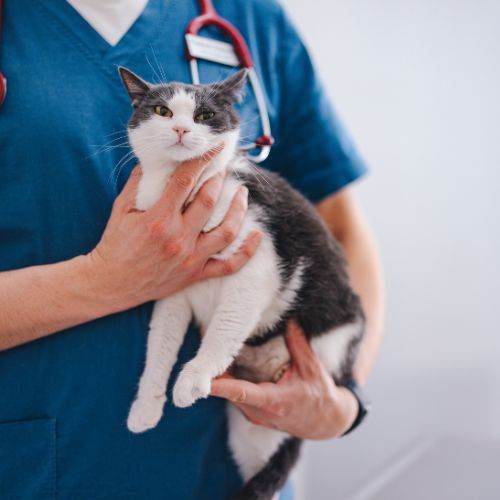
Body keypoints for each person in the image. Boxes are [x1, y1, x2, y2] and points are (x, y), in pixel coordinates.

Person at [0, 0, 384, 499]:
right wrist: (102, 281)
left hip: (233, 473)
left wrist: (340, 396)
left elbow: (340, 230)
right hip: (49, 469)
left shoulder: (249, 16)